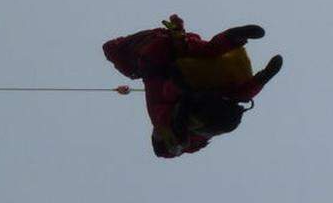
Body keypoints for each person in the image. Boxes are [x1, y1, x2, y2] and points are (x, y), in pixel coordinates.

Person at [103, 14, 283, 157]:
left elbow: (166, 93)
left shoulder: (164, 123)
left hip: (169, 65)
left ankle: (236, 43)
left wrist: (181, 87)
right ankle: (234, 39)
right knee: (209, 55)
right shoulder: (176, 131)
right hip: (181, 69)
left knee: (208, 59)